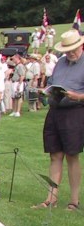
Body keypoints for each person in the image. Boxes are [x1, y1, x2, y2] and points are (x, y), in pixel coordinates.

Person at [34, 29, 84, 211]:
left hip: (75, 112)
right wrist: (46, 90)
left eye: (73, 49)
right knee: (54, 155)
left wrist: (77, 96)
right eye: (67, 50)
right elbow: (52, 82)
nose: (70, 53)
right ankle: (51, 198)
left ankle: (73, 201)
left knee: (72, 155)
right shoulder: (61, 62)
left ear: (80, 46)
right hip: (55, 111)